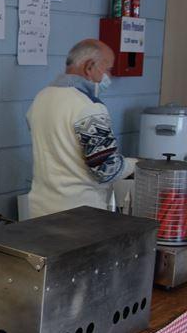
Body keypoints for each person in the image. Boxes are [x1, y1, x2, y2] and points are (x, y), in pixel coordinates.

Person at [26, 39, 137, 218]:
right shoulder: (89, 107)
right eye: (107, 69)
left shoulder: (41, 98)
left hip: (39, 210)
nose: (108, 77)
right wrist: (137, 165)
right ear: (89, 67)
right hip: (78, 214)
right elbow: (106, 171)